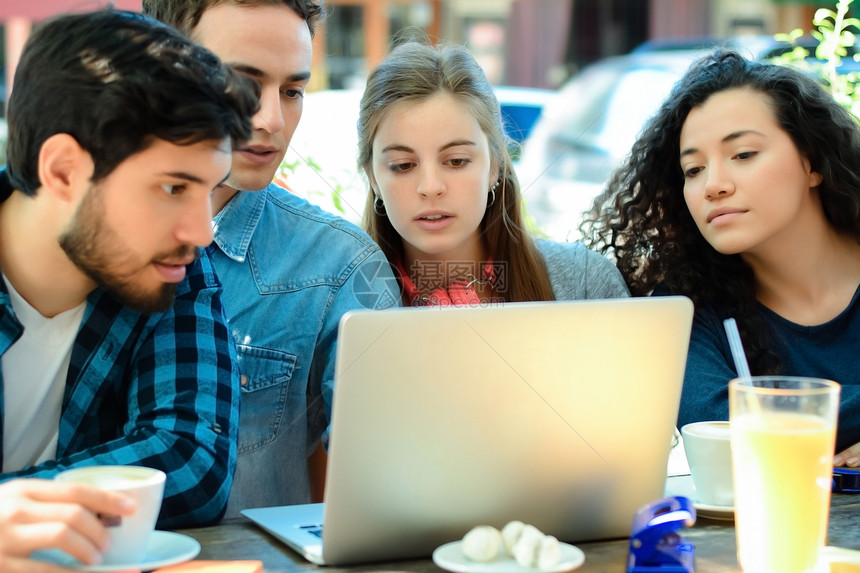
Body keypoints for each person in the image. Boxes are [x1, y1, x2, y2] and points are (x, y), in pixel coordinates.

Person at [0, 8, 258, 569]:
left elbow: (191, 459)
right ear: (65, 171)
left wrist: (18, 509)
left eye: (209, 190)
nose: (202, 231)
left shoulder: (171, 267)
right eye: (172, 187)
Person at [142, 0, 400, 516]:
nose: (272, 119)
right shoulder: (71, 237)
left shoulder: (339, 267)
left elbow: (392, 483)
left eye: (293, 91)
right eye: (242, 82)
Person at [580, 50, 860, 464]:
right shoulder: (687, 305)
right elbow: (717, 428)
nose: (713, 186)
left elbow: (769, 428)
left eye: (743, 154)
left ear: (812, 162)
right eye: (693, 170)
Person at [359, 41, 628, 305]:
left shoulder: (583, 286)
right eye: (403, 165)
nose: (430, 186)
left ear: (495, 166)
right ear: (373, 178)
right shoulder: (338, 303)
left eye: (456, 161)